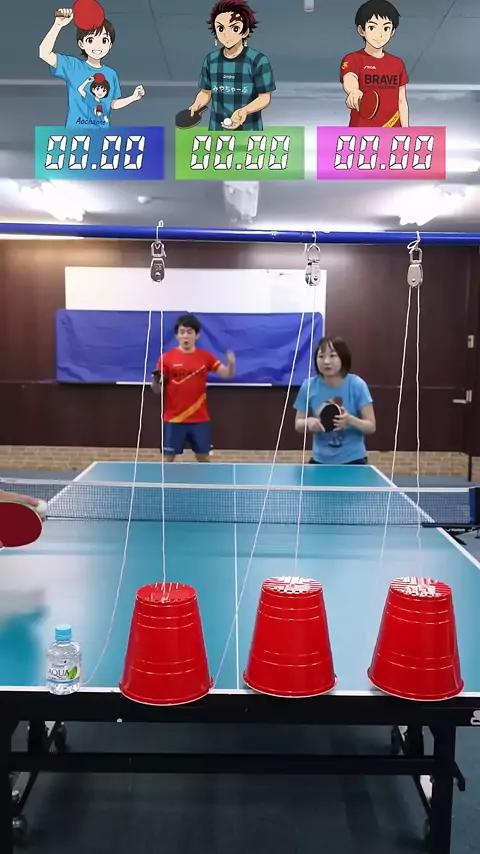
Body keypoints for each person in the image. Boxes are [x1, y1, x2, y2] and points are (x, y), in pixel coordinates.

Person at [151, 314, 236, 462]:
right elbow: (157, 390)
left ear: (197, 335)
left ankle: (206, 479)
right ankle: (164, 479)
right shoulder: (166, 358)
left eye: (190, 332)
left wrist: (232, 364)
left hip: (200, 419)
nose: (186, 336)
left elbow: (227, 375)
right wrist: (155, 381)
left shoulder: (206, 357)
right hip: (174, 418)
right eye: (182, 332)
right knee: (168, 458)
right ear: (177, 335)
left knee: (203, 457)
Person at [293, 336, 376, 465]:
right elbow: (298, 424)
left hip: (354, 460)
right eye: (321, 356)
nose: (326, 361)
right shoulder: (308, 386)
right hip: (320, 460)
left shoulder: (357, 385)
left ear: (343, 358)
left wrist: (350, 420)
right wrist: (307, 422)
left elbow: (371, 426)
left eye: (332, 356)